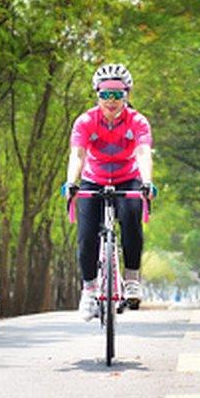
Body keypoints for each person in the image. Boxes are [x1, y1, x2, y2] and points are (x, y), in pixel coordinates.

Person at [62, 64, 156, 320]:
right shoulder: (85, 121)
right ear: (97, 95)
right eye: (105, 94)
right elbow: (78, 154)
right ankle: (89, 290)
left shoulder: (137, 121)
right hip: (94, 179)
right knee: (86, 234)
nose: (111, 101)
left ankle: (132, 278)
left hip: (128, 178)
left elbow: (143, 152)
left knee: (131, 218)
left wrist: (146, 181)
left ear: (127, 95)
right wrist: (72, 182)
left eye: (118, 94)